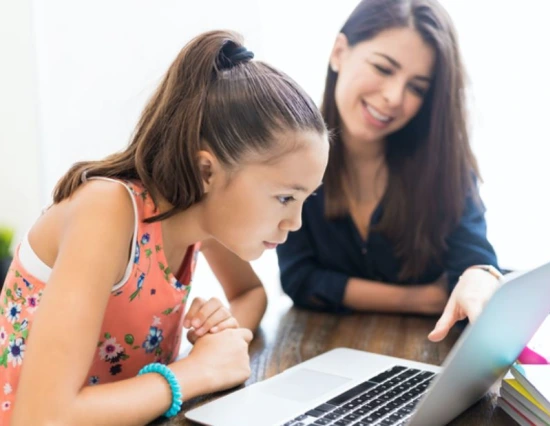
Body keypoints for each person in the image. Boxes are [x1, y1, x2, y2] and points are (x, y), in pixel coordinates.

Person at [0, 30, 329, 425]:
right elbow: (41, 418)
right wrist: (196, 372)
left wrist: (219, 332)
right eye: (284, 198)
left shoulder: (206, 218)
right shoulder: (108, 212)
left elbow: (249, 293)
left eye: (304, 200)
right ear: (207, 170)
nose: (294, 223)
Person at [277, 0, 501, 343]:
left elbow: (476, 261)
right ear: (339, 52)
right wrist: (422, 299)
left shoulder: (443, 163)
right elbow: (300, 279)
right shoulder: (290, 156)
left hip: (429, 354)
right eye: (383, 68)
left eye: (417, 88)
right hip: (323, 350)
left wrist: (480, 277)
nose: (395, 97)